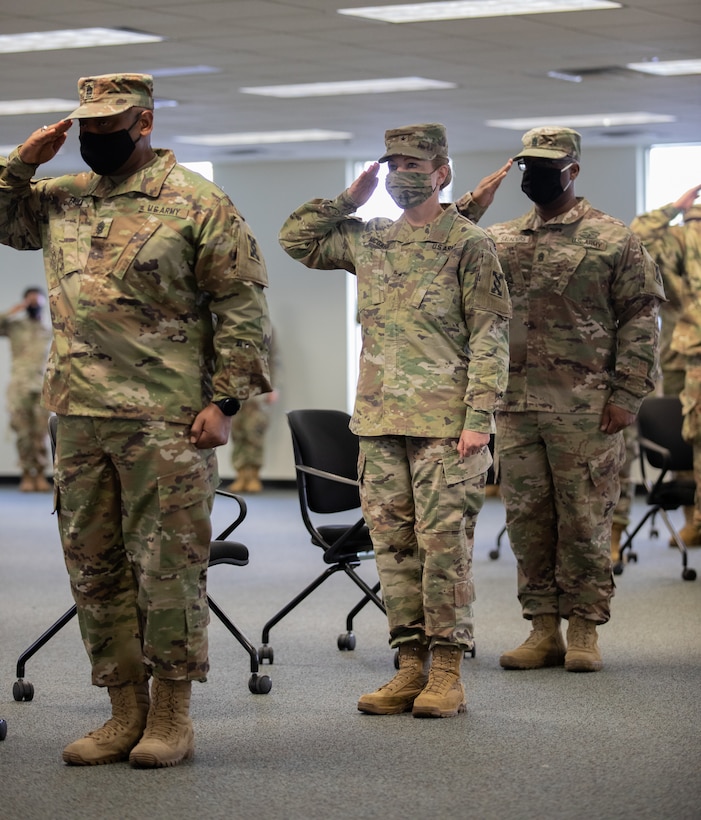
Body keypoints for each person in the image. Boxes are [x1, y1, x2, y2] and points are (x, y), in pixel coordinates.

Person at [0, 74, 272, 767]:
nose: (94, 139)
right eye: (84, 128)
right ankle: (124, 711)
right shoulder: (60, 198)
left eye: (107, 127)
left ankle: (172, 716)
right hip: (81, 417)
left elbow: (240, 309)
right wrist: (22, 161)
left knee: (167, 568)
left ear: (143, 122)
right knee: (95, 569)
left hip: (167, 420)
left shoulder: (198, 202)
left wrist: (227, 401)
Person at [279, 123, 511, 718]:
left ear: (442, 172)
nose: (402, 171)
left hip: (446, 427)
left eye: (416, 162)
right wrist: (348, 199)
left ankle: (448, 673)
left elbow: (491, 336)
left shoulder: (469, 242)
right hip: (379, 423)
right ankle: (410, 668)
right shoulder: (371, 238)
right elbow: (295, 240)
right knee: (394, 550)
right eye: (393, 162)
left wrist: (479, 417)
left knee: (444, 551)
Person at [456, 126, 663, 672]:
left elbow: (641, 319)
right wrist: (473, 202)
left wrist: (628, 393)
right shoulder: (499, 238)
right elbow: (438, 241)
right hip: (516, 406)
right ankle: (542, 627)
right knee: (527, 519)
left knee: (586, 518)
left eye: (547, 166)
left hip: (587, 407)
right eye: (527, 166)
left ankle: (585, 630)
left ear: (573, 170)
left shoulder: (614, 239)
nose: (535, 176)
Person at [631, 186, 701, 546]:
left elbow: (639, 232)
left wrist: (673, 209)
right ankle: (694, 521)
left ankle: (696, 522)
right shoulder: (683, 238)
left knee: (692, 436)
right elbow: (637, 239)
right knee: (689, 436)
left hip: (684, 350)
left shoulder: (678, 235)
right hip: (681, 354)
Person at [0, 287, 52, 491]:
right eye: (30, 302)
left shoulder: (50, 330)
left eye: (37, 302)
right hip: (19, 387)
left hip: (43, 387)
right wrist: (14, 310)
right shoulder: (15, 326)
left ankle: (40, 474)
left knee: (41, 434)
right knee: (22, 433)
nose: (33, 305)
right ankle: (26, 475)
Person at [227, 329, 279, 493]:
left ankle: (254, 476)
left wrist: (274, 387)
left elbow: (274, 359)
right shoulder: (229, 325)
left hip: (258, 389)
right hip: (234, 389)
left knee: (255, 433)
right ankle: (241, 475)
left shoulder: (266, 326)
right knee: (237, 432)